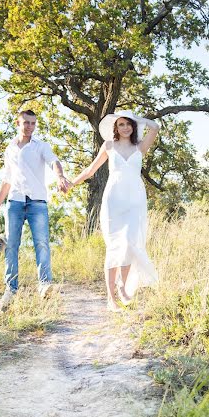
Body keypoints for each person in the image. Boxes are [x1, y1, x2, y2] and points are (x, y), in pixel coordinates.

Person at [70, 111, 160, 311]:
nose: (125, 127)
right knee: (114, 247)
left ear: (133, 126)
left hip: (135, 200)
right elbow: (90, 171)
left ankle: (123, 285)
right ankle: (111, 298)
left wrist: (140, 119)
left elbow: (155, 128)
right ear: (115, 127)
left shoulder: (140, 147)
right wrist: (71, 183)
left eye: (129, 124)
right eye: (121, 124)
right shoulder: (109, 146)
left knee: (129, 243)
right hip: (114, 200)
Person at [0, 110, 71, 311]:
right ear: (18, 123)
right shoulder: (10, 148)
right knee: (11, 245)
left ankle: (44, 285)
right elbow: (7, 178)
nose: (30, 126)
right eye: (26, 122)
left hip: (37, 202)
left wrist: (60, 177)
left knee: (41, 244)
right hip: (14, 202)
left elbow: (53, 162)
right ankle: (10, 290)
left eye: (33, 123)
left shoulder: (41, 146)